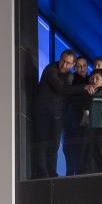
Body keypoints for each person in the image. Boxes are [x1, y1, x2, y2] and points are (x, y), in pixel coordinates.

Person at [33, 49, 79, 178]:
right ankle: (42, 172)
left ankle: (51, 172)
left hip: (58, 114)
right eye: (63, 61)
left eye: (68, 63)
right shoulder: (51, 69)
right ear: (60, 58)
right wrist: (84, 87)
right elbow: (61, 89)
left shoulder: (69, 76)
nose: (64, 65)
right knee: (42, 142)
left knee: (54, 144)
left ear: (72, 65)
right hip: (43, 112)